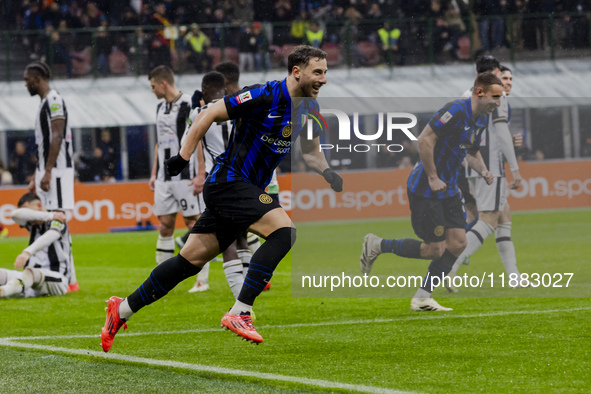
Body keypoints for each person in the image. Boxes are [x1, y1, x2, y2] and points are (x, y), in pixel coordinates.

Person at [101, 45, 341, 351]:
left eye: (325, 72)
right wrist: (183, 156)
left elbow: (311, 152)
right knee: (285, 232)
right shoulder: (264, 94)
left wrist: (328, 172)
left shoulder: (310, 109)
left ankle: (121, 310)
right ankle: (241, 311)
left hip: (244, 190)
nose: (323, 79)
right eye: (317, 72)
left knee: (188, 262)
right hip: (229, 182)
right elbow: (210, 112)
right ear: (297, 72)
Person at [360, 72, 504, 311]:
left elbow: (472, 150)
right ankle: (378, 244)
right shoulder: (456, 110)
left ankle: (422, 297)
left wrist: (484, 170)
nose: (498, 103)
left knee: (458, 243)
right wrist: (433, 177)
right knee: (434, 250)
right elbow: (425, 139)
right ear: (480, 92)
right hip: (426, 188)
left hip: (448, 190)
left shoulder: (481, 119)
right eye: (496, 97)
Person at [446, 65, 523, 291]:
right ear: (493, 75)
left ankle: (514, 275)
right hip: (490, 165)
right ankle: (451, 266)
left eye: (510, 78)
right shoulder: (497, 98)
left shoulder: (467, 94)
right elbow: (501, 133)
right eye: (503, 76)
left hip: (472, 164)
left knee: (503, 216)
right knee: (489, 219)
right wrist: (515, 169)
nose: (507, 82)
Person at [24, 61, 78, 292]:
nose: (25, 83)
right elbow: (44, 143)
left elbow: (57, 136)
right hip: (49, 170)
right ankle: (72, 280)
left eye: (27, 79)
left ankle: (66, 278)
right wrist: (38, 173)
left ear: (37, 79)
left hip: (57, 170)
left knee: (58, 221)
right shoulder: (44, 103)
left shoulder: (54, 100)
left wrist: (47, 171)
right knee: (57, 222)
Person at [147, 65, 201, 265]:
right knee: (164, 226)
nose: (152, 91)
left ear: (163, 83)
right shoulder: (160, 107)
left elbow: (199, 138)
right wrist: (154, 173)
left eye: (153, 86)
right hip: (163, 177)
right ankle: (160, 280)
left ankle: (200, 280)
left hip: (186, 175)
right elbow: (160, 142)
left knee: (192, 223)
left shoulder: (189, 103)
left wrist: (201, 173)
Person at [0, 193, 71, 298]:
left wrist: (27, 252)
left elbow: (48, 237)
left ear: (39, 205)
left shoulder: (58, 221)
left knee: (31, 273)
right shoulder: (33, 224)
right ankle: (13, 288)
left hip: (57, 279)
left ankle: (3, 292)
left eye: (27, 210)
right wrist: (49, 215)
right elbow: (15, 214)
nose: (28, 214)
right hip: (27, 281)